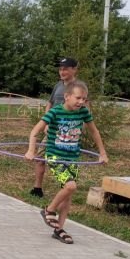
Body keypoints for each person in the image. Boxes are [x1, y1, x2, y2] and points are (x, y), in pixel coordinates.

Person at [25, 80, 107, 244]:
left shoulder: (83, 112)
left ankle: (59, 229)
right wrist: (31, 150)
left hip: (73, 158)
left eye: (84, 98)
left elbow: (94, 131)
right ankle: (48, 210)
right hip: (55, 156)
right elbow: (35, 131)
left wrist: (102, 153)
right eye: (78, 98)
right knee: (71, 186)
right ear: (67, 96)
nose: (81, 102)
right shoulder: (55, 112)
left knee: (68, 193)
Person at [30, 57, 81, 198]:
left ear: (74, 69)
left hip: (68, 132)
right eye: (60, 69)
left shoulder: (78, 87)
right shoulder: (58, 85)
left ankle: (66, 187)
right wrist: (46, 123)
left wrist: (79, 126)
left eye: (65, 69)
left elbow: (85, 108)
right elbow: (49, 104)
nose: (62, 71)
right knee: (40, 157)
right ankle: (37, 188)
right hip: (52, 131)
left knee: (65, 160)